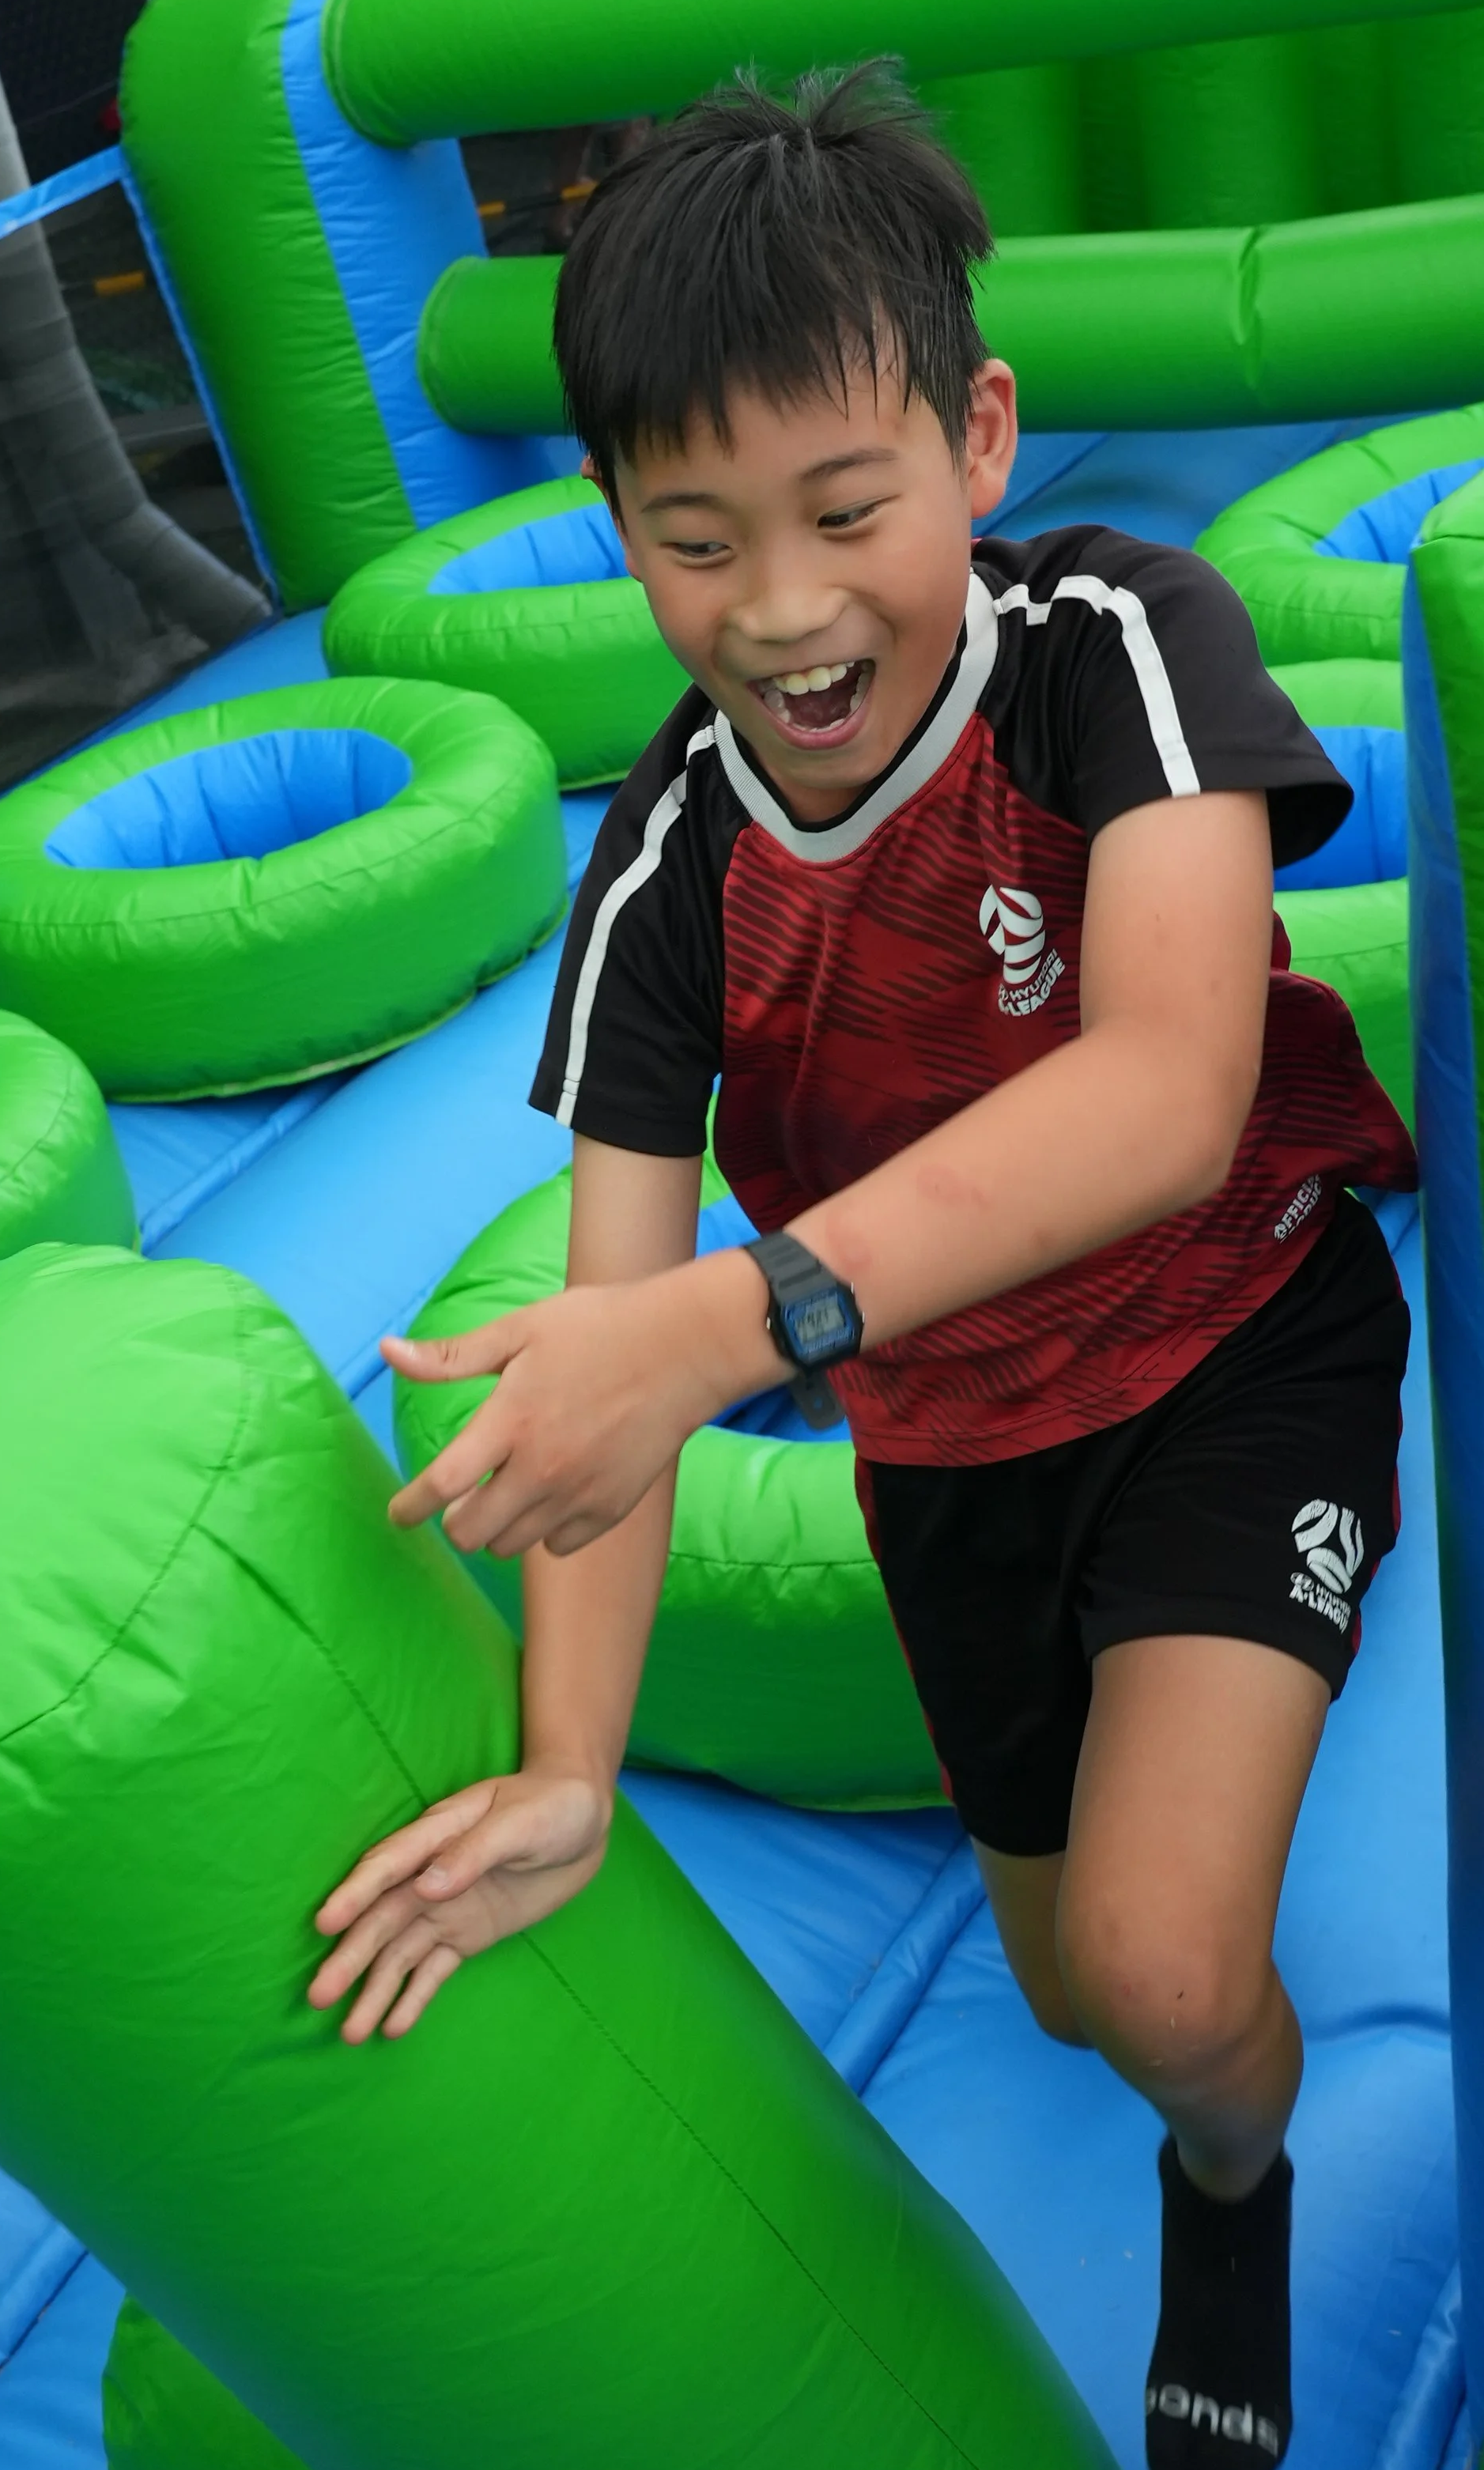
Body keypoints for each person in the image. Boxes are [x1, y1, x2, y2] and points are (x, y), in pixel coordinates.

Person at [308, 63, 1414, 2468]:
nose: (788, 610)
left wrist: (730, 1323)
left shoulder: (1115, 640)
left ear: (981, 438)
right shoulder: (671, 864)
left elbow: (1163, 1089)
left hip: (1243, 1342)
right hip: (962, 1442)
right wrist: (569, 1770)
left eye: (845, 509)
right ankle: (1167, 2059)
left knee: (1158, 1968)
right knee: (1049, 1988)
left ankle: (1235, 2178)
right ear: (613, 527)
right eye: (697, 538)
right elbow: (599, 1339)